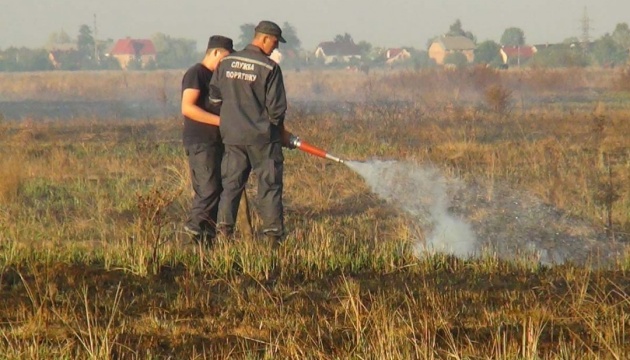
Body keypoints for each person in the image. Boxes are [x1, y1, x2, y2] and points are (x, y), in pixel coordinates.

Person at [209, 20, 291, 247]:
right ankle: (273, 239)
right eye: (275, 42)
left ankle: (223, 236)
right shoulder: (269, 68)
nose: (276, 48)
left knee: (231, 188)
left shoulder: (225, 62)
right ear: (263, 38)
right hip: (263, 139)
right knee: (270, 187)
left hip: (232, 137)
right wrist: (280, 132)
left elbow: (214, 98)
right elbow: (277, 110)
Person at [181, 35, 234, 245]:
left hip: (217, 143)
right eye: (226, 58)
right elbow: (188, 107)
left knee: (218, 190)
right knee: (208, 189)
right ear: (214, 52)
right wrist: (222, 122)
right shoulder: (196, 73)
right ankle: (193, 229)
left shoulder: (218, 78)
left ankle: (206, 241)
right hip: (201, 142)